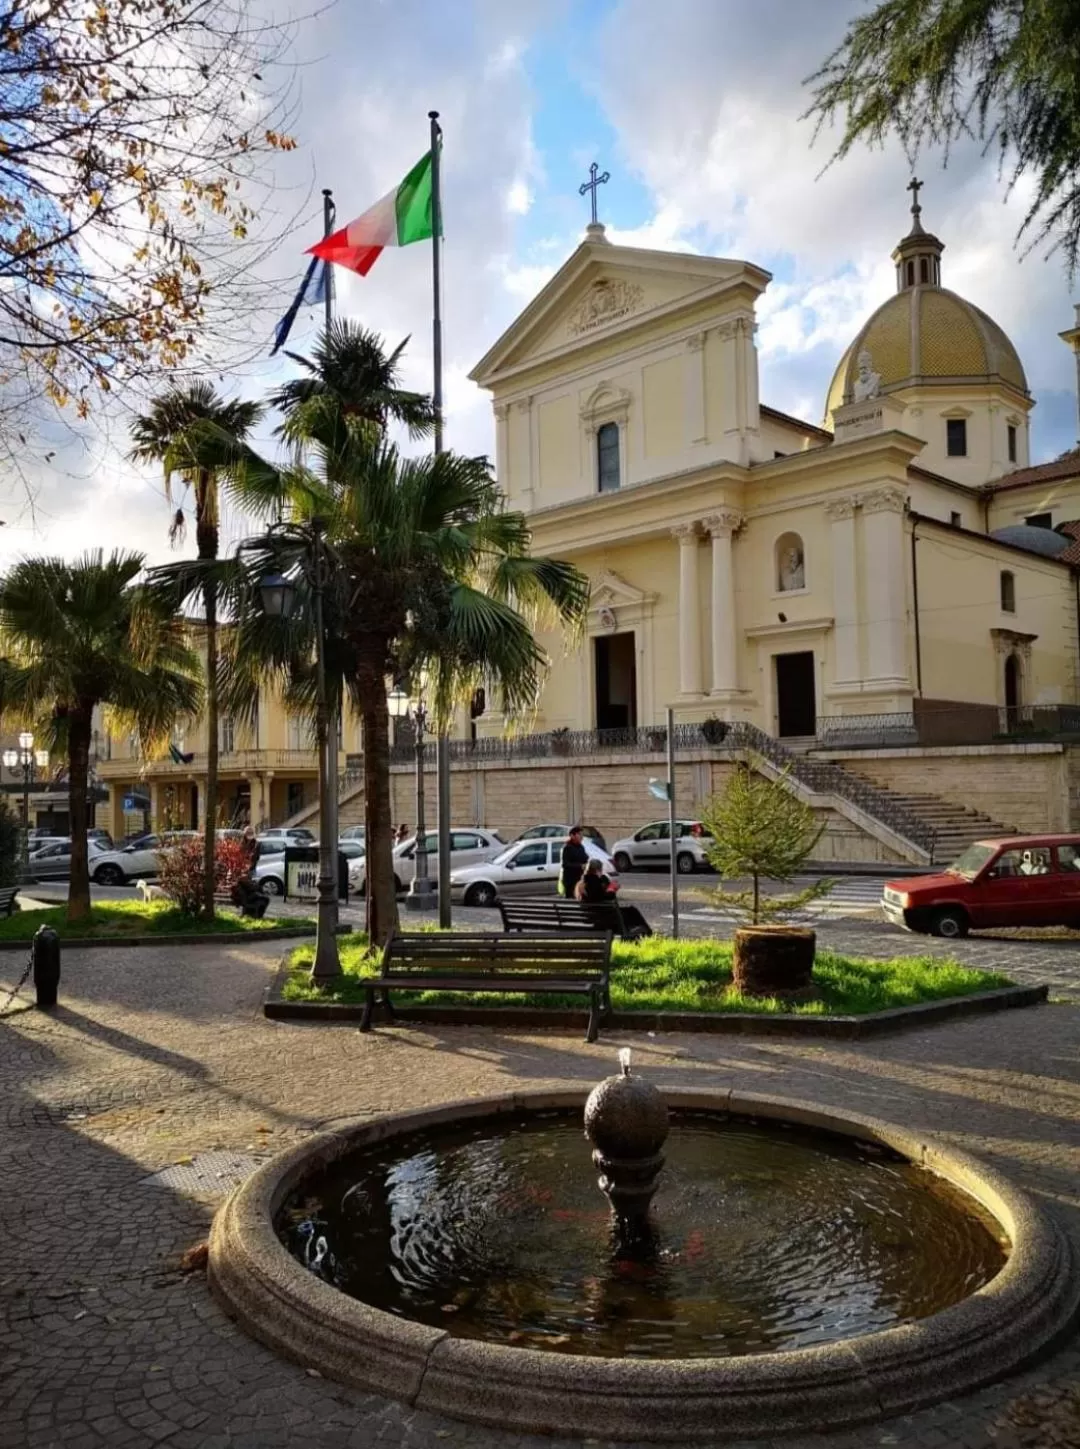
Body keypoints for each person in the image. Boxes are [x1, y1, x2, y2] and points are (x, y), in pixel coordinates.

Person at [574, 858, 653, 939]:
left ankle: (636, 932)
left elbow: (596, 897)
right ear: (597, 870)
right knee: (632, 911)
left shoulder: (581, 883)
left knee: (629, 911)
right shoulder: (593, 881)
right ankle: (646, 933)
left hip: (591, 915)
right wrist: (612, 890)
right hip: (602, 916)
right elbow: (601, 898)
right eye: (600, 869)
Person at [559, 825, 589, 898]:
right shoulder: (567, 847)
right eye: (579, 834)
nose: (582, 837)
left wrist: (587, 862)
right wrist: (580, 866)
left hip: (580, 879)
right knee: (571, 901)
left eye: (582, 835)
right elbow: (565, 864)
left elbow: (585, 858)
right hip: (570, 881)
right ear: (572, 835)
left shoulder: (581, 847)